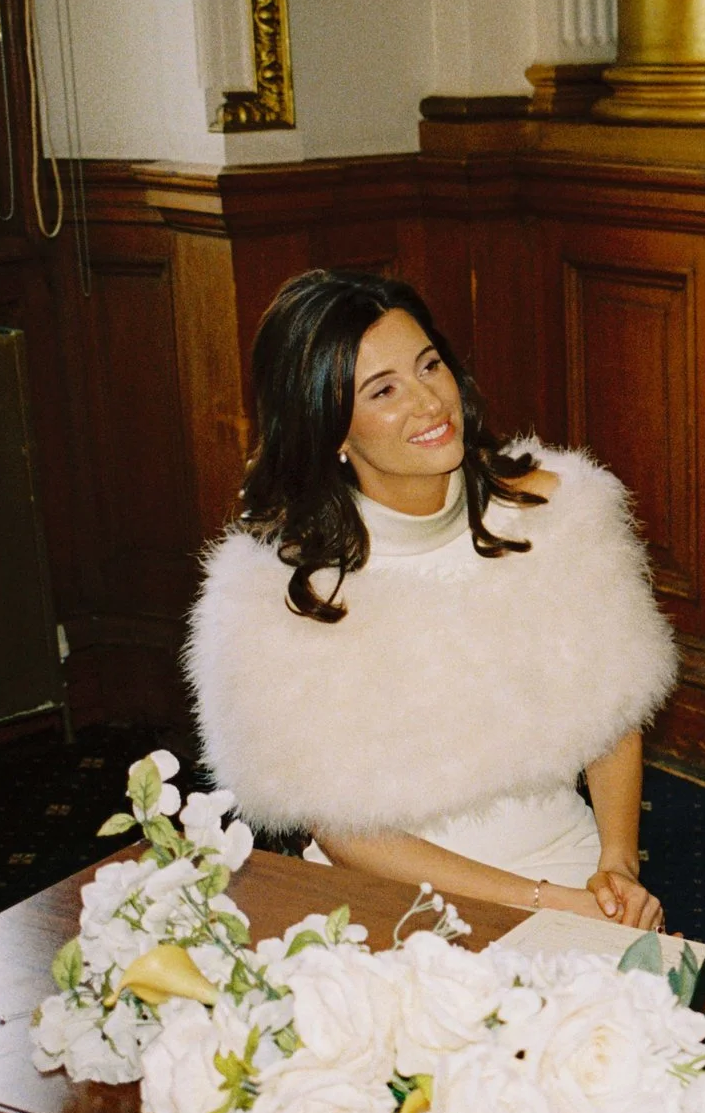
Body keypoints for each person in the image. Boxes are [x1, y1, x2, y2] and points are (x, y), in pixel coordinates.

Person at [186, 269, 679, 929]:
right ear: (330, 428)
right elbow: (344, 828)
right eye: (384, 389)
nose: (429, 401)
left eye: (429, 366)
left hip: (566, 860)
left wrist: (618, 865)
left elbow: (615, 708)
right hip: (386, 892)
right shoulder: (279, 595)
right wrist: (544, 903)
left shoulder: (558, 513)